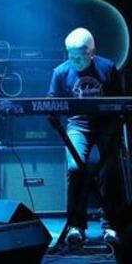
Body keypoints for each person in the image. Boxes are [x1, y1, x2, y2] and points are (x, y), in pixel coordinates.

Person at [48, 27, 123, 247]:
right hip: (78, 126)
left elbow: (121, 103)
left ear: (92, 52)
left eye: (80, 56)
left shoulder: (108, 68)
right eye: (71, 56)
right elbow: (51, 103)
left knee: (110, 169)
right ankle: (76, 226)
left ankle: (110, 225)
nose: (75, 61)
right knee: (75, 169)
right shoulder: (61, 72)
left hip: (106, 125)